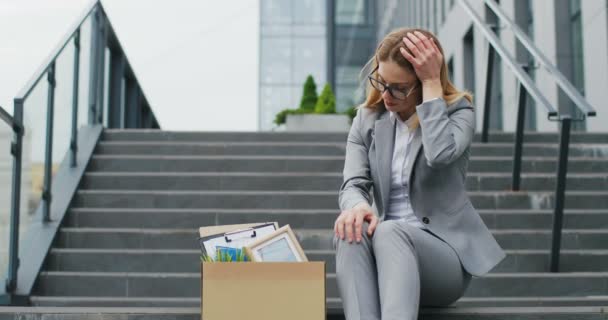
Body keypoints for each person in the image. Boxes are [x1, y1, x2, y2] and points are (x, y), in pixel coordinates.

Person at [332, 27, 506, 320]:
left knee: (390, 230)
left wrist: (431, 84)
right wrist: (358, 207)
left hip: (442, 261)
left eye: (399, 88)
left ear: (424, 82)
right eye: (382, 82)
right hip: (384, 254)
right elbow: (352, 184)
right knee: (350, 229)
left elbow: (440, 155)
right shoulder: (367, 119)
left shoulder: (458, 113)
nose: (386, 95)